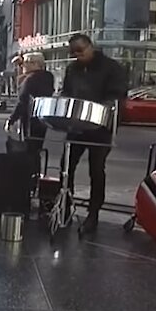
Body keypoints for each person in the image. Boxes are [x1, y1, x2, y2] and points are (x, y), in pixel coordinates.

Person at [59, 33, 128, 233]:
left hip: (101, 126)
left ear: (91, 46)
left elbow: (117, 95)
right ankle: (64, 207)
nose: (77, 55)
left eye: (80, 51)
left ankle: (93, 214)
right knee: (66, 165)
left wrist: (100, 110)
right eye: (73, 52)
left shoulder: (111, 67)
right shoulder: (72, 69)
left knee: (96, 170)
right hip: (77, 126)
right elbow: (67, 92)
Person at [6, 52, 55, 158]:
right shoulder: (48, 77)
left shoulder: (30, 79)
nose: (23, 65)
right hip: (42, 119)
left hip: (29, 120)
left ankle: (29, 172)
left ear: (36, 64)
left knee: (28, 150)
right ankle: (35, 171)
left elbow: (22, 101)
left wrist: (11, 119)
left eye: (26, 62)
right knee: (36, 149)